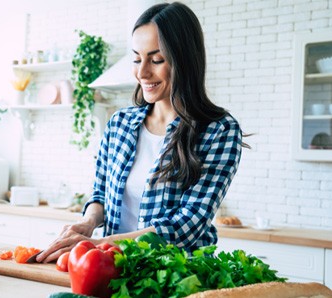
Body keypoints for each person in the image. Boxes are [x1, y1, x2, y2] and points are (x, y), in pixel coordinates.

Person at [36, 1, 248, 263]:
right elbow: (100, 193)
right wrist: (89, 221)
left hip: (176, 276)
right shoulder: (120, 123)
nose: (142, 72)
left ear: (185, 60)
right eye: (137, 59)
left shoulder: (219, 131)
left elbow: (188, 224)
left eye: (156, 59)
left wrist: (99, 244)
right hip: (110, 269)